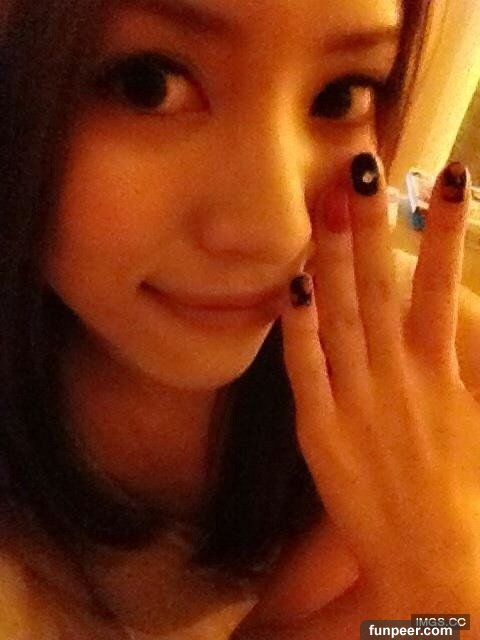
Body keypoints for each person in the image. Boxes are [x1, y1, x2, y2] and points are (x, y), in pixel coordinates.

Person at [1, 0, 480, 638]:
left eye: (341, 95)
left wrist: (435, 604)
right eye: (149, 85)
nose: (279, 231)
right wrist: (441, 605)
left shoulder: (440, 371)